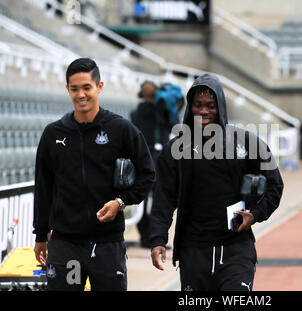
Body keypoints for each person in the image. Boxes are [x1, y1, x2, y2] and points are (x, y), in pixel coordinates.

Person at [149, 73, 284, 291]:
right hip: (193, 251)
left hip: (236, 248)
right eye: (198, 105)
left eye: (211, 105)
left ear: (220, 106)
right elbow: (163, 200)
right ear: (189, 108)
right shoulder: (175, 151)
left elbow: (275, 185)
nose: (204, 111)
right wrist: (157, 240)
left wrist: (256, 214)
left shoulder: (247, 143)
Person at [33, 58, 155, 291]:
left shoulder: (121, 129)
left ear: (99, 87)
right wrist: (40, 233)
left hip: (107, 244)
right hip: (65, 244)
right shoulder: (53, 134)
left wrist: (121, 202)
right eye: (75, 88)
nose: (81, 95)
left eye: (87, 87)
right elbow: (43, 187)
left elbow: (147, 174)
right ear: (67, 89)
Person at [130, 81, 181, 248]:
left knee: (142, 201)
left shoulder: (135, 113)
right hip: (160, 160)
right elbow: (174, 122)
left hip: (141, 159)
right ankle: (153, 238)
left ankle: (144, 237)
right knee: (159, 201)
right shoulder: (162, 110)